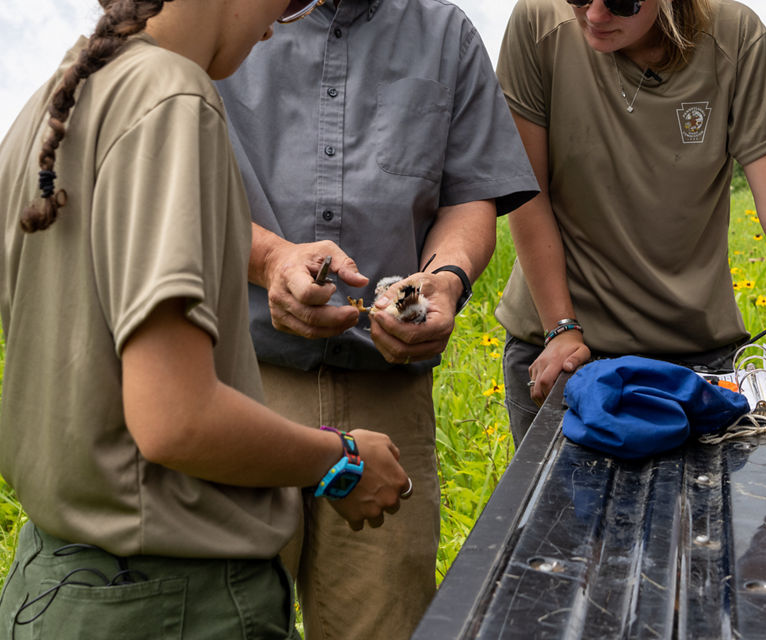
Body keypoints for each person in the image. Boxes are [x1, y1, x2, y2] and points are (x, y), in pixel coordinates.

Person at [0, 0, 410, 636]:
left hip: (51, 586)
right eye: (288, 5)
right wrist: (343, 459)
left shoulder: (56, 101)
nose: (273, 26)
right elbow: (175, 421)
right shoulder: (173, 96)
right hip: (169, 603)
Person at [214, 1, 539, 637]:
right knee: (226, 617)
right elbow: (180, 183)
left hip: (387, 398)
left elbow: (469, 198)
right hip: (239, 386)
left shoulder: (446, 34)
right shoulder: (226, 21)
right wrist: (270, 262)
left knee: (385, 621)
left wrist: (442, 282)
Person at [497, 0, 766, 440]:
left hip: (698, 359)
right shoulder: (537, 23)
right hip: (563, 350)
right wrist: (561, 329)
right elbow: (529, 192)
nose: (596, 16)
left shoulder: (736, 36)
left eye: (623, 2)